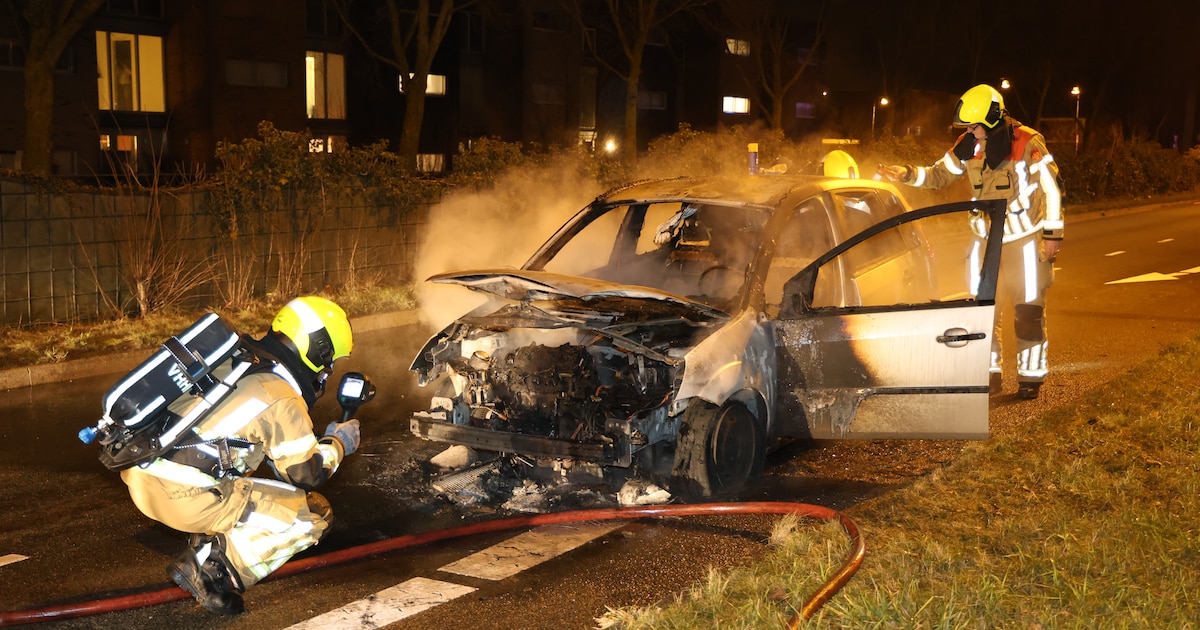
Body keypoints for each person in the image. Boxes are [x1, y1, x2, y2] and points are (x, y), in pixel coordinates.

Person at [119, 296, 361, 614]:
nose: (328, 371)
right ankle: (211, 569)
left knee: (238, 464)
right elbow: (305, 474)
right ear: (317, 349)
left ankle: (206, 541)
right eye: (329, 361)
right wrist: (339, 442)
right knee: (314, 515)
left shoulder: (237, 360)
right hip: (182, 497)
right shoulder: (280, 396)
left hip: (142, 476)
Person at [881, 84, 1063, 399]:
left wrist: (1052, 234)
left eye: (974, 125)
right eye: (967, 126)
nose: (970, 131)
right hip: (984, 242)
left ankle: (1030, 379)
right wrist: (907, 174)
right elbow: (938, 175)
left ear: (992, 119)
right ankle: (988, 375)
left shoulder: (1027, 142)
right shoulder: (969, 145)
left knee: (1028, 312)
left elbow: (1052, 187)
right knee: (982, 312)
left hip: (1024, 243)